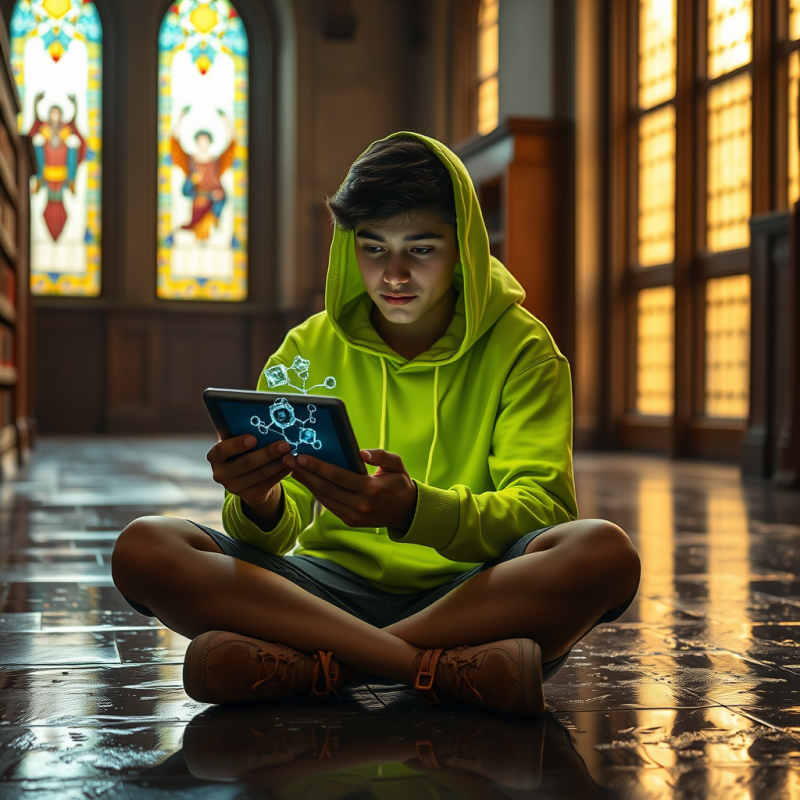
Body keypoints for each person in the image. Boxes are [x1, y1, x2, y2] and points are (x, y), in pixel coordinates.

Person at [111, 132, 641, 716]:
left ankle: (318, 669)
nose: (394, 275)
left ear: (463, 246)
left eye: (421, 249)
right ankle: (434, 670)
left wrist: (416, 510)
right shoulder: (304, 352)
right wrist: (258, 499)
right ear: (348, 245)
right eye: (373, 248)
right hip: (322, 593)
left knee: (604, 553)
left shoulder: (525, 350)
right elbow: (271, 538)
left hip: (475, 595)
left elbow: (543, 511)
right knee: (145, 547)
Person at [170, 106, 236, 242]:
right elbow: (174, 145)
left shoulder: (217, 162)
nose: (203, 143)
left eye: (205, 140)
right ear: (196, 141)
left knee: (210, 230)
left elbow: (232, 146)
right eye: (200, 140)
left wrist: (225, 120)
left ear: (209, 142)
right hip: (198, 202)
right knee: (197, 230)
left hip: (214, 202)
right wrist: (180, 118)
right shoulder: (190, 161)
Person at [28, 92, 87, 242]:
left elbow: (81, 141)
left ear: (61, 116)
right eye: (52, 113)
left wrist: (76, 106)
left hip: (63, 178)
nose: (54, 116)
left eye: (57, 113)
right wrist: (35, 105)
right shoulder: (44, 128)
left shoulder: (66, 129)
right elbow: (28, 140)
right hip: (45, 176)